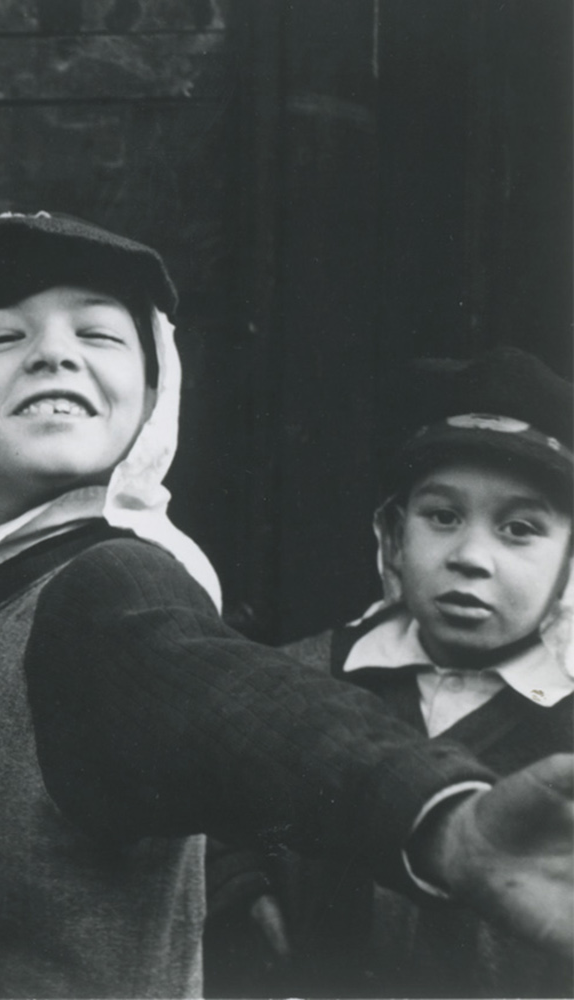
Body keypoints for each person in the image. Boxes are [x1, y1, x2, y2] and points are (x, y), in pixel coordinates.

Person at [0, 210, 574, 997]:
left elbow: (242, 703)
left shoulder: (112, 585)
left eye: (97, 335)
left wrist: (441, 818)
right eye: (1, 338)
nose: (52, 351)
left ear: (151, 404)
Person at [210, 346, 574, 998]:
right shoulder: (301, 677)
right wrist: (242, 888)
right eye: (443, 517)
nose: (469, 556)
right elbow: (218, 812)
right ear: (394, 534)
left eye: (519, 528)